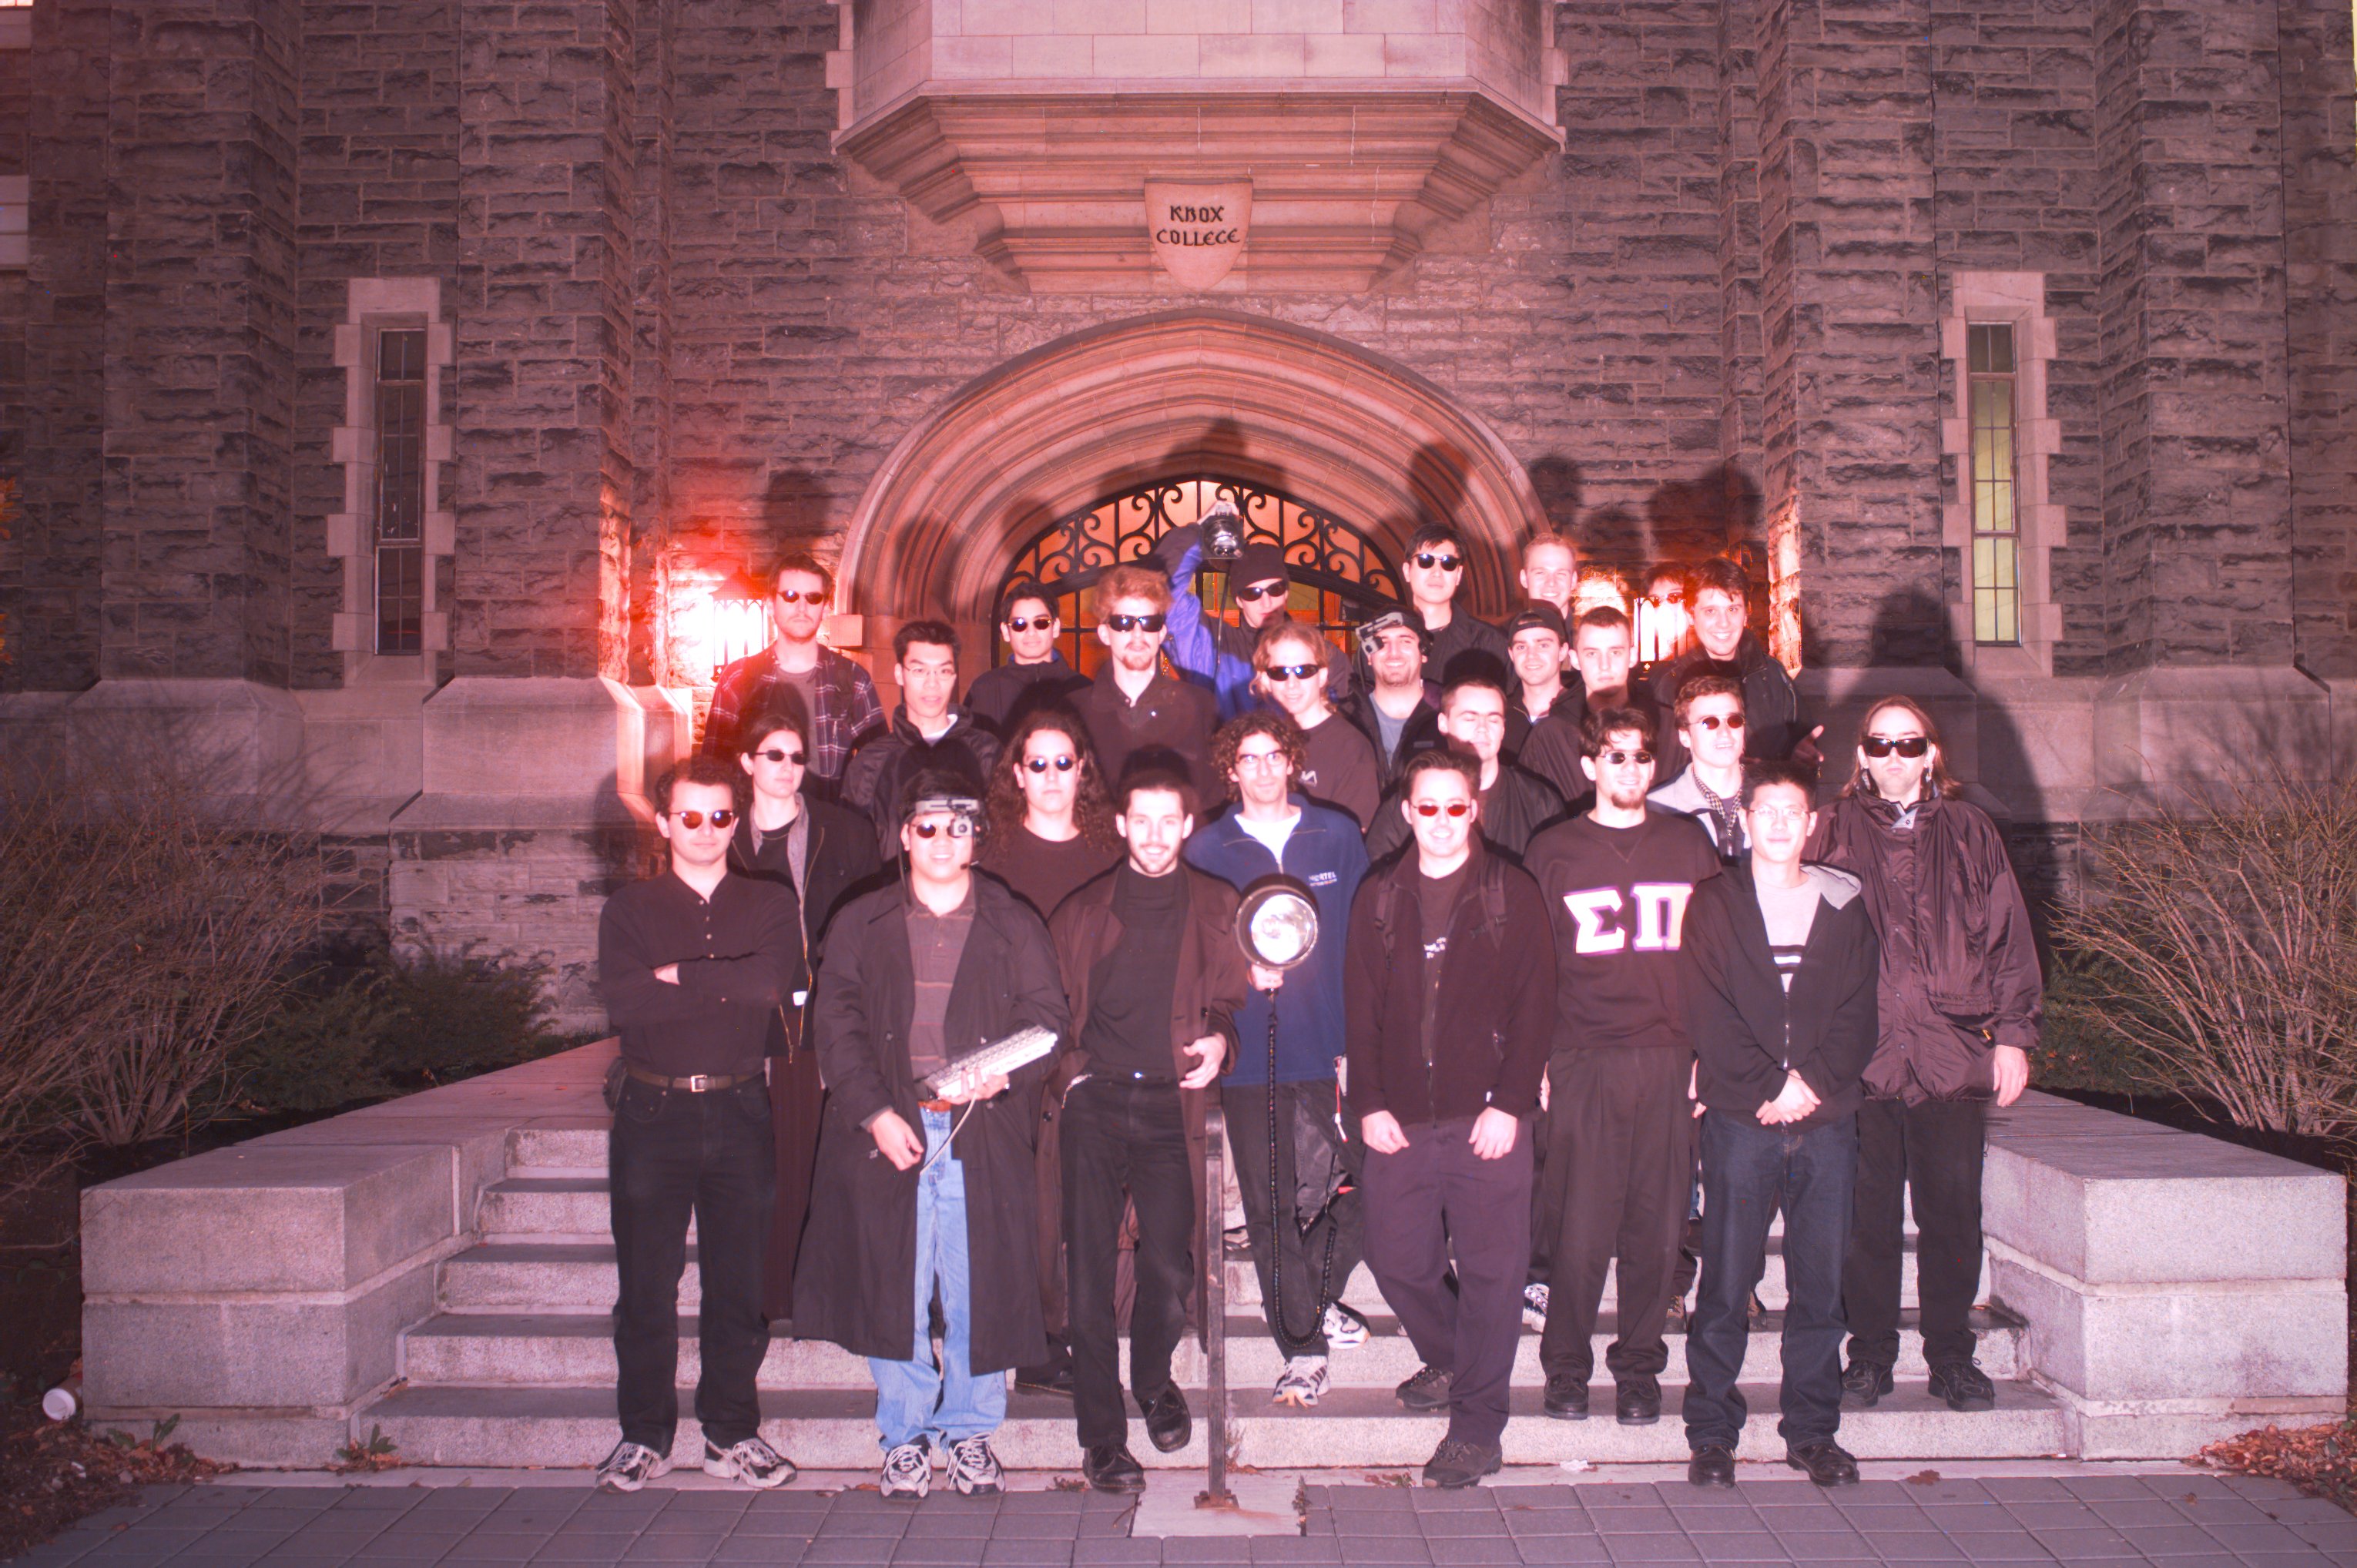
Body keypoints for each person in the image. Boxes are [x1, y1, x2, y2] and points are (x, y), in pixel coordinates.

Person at [793, 771, 1072, 1499]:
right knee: (895, 1285)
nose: (942, 840)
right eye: (927, 826)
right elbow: (836, 1022)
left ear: (978, 837)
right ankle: (906, 1436)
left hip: (981, 1130)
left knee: (983, 1287)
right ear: (904, 836)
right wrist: (875, 1113)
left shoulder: (1013, 920)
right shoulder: (862, 920)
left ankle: (971, 1432)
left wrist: (1001, 1075)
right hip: (889, 1128)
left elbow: (1049, 1020)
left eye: (958, 826)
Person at [1813, 696, 2039, 1415]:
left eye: (1908, 744)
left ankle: (1950, 1356)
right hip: (1862, 1056)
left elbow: (2008, 937)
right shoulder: (1831, 829)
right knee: (1865, 1220)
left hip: (1949, 1051)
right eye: (1880, 744)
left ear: (1930, 753)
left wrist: (2013, 1036)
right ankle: (1869, 1355)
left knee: (1952, 1217)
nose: (1894, 757)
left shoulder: (1971, 830)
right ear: (1861, 756)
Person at [1344, 749, 1555, 1489]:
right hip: (1400, 1117)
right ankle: (1454, 1357)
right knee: (1396, 1258)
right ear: (1407, 812)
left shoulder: (1510, 891)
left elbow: (1536, 1007)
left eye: (1454, 807)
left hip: (1487, 1117)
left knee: (1494, 1275)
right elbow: (1360, 1010)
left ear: (1475, 809)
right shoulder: (1379, 894)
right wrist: (1369, 1102)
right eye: (1426, 807)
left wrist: (1510, 1103)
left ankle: (1476, 1429)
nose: (1440, 821)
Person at [593, 757, 803, 1493]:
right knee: (647, 1286)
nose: (706, 830)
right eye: (690, 816)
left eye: (720, 816)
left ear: (735, 822)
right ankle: (644, 1436)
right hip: (653, 1113)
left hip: (742, 1109)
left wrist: (678, 975)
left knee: (739, 1287)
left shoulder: (769, 900)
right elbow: (626, 1003)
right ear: (663, 823)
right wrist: (725, 983)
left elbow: (770, 983)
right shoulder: (630, 909)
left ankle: (731, 1434)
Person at [1680, 759, 1880, 1489]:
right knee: (1727, 1282)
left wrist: (1811, 1086)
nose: (1778, 823)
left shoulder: (1844, 903)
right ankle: (1711, 1433)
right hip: (1742, 1120)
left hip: (1826, 1123)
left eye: (1792, 811)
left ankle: (1812, 1431)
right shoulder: (1714, 903)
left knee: (1820, 1285)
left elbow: (1861, 1012)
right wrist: (1770, 1085)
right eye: (1765, 810)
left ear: (1811, 823)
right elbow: (1705, 1008)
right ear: (1745, 820)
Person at [1050, 770, 1250, 1493]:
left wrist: (1221, 1039)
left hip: (1174, 1106)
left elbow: (1230, 998)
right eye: (1143, 820)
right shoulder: (1082, 911)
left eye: (1170, 820)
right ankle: (1102, 1438)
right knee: (1090, 1272)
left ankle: (1153, 1380)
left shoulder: (1217, 905)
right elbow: (1046, 1006)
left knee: (1171, 1264)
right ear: (1122, 825)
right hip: (1096, 1102)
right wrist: (1069, 1074)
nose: (1157, 834)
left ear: (1188, 825)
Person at [1524, 705, 1720, 1427]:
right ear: (1589, 766)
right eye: (1615, 756)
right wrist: (1537, 1058)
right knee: (1578, 1225)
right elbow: (1532, 968)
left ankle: (1638, 1367)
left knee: (1657, 1226)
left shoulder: (1687, 842)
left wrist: (1709, 1054)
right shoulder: (1554, 849)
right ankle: (1566, 1366)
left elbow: (1716, 955)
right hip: (1584, 1054)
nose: (1630, 768)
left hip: (1669, 1054)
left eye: (1641, 756)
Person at [1184, 712, 1374, 1408]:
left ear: (1293, 761)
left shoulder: (1338, 833)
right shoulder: (1207, 846)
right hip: (1250, 1052)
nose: (1263, 769)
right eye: (1248, 758)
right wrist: (1239, 974)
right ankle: (1302, 1349)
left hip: (1332, 1046)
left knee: (1377, 1185)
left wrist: (1360, 1043)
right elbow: (1194, 950)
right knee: (1268, 1209)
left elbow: (1363, 939)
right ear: (1230, 769)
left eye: (1274, 756)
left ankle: (1310, 1294)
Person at [976, 709, 1122, 1397]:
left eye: (1065, 762)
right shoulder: (992, 855)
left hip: (1095, 1046)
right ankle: (1031, 1339)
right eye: (1038, 764)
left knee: (1079, 1200)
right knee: (1017, 1200)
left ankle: (1080, 1327)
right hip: (1014, 1046)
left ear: (1083, 768)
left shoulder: (1110, 849)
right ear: (1017, 774)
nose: (1052, 776)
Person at [729, 704, 884, 1318]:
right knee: (754, 1169)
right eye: (774, 755)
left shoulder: (843, 831)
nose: (788, 767)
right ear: (746, 762)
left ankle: (812, 1298)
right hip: (745, 1030)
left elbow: (873, 930)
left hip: (820, 1026)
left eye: (797, 756)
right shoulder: (721, 835)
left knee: (810, 1162)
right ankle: (764, 1297)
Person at [704, 552, 883, 797]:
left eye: (813, 597)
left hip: (831, 819)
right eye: (790, 596)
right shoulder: (738, 679)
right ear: (770, 604)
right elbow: (714, 770)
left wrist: (851, 816)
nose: (801, 607)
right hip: (757, 818)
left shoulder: (853, 680)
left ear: (825, 608)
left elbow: (880, 768)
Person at [1160, 514, 1352, 719]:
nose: (1266, 602)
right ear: (1239, 600)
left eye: (1275, 590)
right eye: (1253, 593)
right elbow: (1160, 591)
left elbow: (1343, 725)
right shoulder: (1213, 650)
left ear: (1286, 593)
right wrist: (1201, 531)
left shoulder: (1324, 656)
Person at [843, 620, 1003, 858]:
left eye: (943, 671)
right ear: (900, 674)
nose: (932, 684)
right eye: (919, 671)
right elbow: (852, 850)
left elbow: (1006, 836)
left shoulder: (986, 752)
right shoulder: (871, 761)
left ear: (954, 676)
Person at [1366, 675, 1563, 863]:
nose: (1482, 728)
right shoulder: (1407, 806)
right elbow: (1382, 878)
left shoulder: (1540, 804)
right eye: (1470, 719)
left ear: (1503, 728)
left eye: (1493, 720)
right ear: (1443, 724)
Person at [1074, 564, 1220, 798]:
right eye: (1123, 623)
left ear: (1161, 633)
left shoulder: (1202, 706)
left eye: (1149, 622)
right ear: (1104, 633)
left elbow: (1214, 798)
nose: (1138, 634)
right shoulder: (1074, 712)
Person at [1648, 558, 1816, 762]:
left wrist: (1800, 758)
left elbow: (1801, 746)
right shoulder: (1670, 683)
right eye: (1710, 611)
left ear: (1746, 613)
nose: (1723, 623)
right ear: (1691, 615)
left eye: (1732, 609)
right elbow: (1665, 764)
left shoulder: (1771, 674)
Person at [1523, 605, 1682, 799]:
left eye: (1615, 652)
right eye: (1592, 654)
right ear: (1575, 659)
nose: (1604, 665)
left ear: (1632, 656)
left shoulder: (1668, 729)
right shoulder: (1549, 738)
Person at [1253, 619, 1380, 830]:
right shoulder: (1255, 743)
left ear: (1322, 676)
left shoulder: (1351, 747)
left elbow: (1353, 838)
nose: (1292, 684)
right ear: (1265, 680)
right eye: (1279, 673)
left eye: (1304, 671)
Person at [1648, 675, 1751, 863]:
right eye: (1709, 723)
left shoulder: (1779, 802)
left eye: (1734, 720)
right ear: (1685, 736)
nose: (1725, 732)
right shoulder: (1655, 811)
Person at [964, 581, 1091, 732]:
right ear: (1006, 632)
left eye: (1041, 622)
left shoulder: (1084, 690)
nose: (1031, 632)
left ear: (1055, 627)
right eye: (1019, 624)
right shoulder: (984, 690)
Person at [1344, 607, 1442, 788]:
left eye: (1405, 641)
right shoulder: (1345, 720)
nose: (1394, 653)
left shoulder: (1450, 718)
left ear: (1424, 652)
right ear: (1369, 655)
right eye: (1382, 642)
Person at [1403, 523, 1509, 687]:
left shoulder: (1491, 644)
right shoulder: (1381, 642)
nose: (1437, 572)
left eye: (1448, 563)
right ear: (1407, 571)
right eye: (1425, 560)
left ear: (1458, 575)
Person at [1503, 604, 1579, 759]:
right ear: (1511, 655)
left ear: (1562, 651)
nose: (1531, 655)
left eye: (1543, 645)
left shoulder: (1582, 715)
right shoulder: (1499, 718)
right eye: (1521, 647)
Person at [1636, 564, 1693, 672]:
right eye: (1656, 600)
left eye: (1674, 597)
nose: (1664, 606)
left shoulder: (1709, 655)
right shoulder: (1643, 656)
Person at [1519, 531, 1578, 623]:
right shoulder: (1504, 632)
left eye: (1561, 573)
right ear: (1524, 579)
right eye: (1541, 573)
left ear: (1573, 580)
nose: (1551, 582)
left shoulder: (1591, 632)